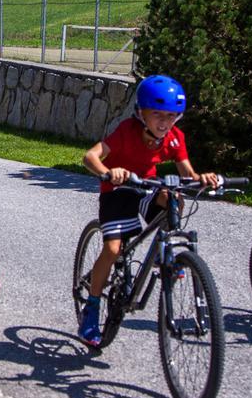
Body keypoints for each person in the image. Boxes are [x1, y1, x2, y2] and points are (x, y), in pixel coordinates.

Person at [77, 74, 220, 347]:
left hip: (145, 188)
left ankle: (164, 254)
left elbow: (187, 173)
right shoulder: (126, 132)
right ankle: (91, 310)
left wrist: (202, 179)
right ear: (141, 112)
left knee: (173, 198)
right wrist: (108, 172)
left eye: (171, 115)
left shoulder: (175, 138)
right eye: (157, 114)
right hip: (118, 190)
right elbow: (90, 156)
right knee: (113, 250)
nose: (165, 122)